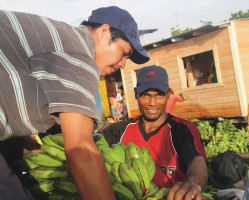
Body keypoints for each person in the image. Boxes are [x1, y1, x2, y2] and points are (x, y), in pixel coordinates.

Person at [0, 6, 149, 200]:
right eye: (124, 53)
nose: (123, 64)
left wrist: (36, 147)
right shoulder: (79, 54)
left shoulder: (59, 41)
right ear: (104, 32)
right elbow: (80, 148)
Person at [100, 65, 208, 200]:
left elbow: (197, 159)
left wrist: (193, 183)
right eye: (146, 95)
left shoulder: (181, 130)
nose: (152, 102)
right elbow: (91, 144)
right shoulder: (118, 131)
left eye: (159, 95)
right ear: (136, 94)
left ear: (168, 94)